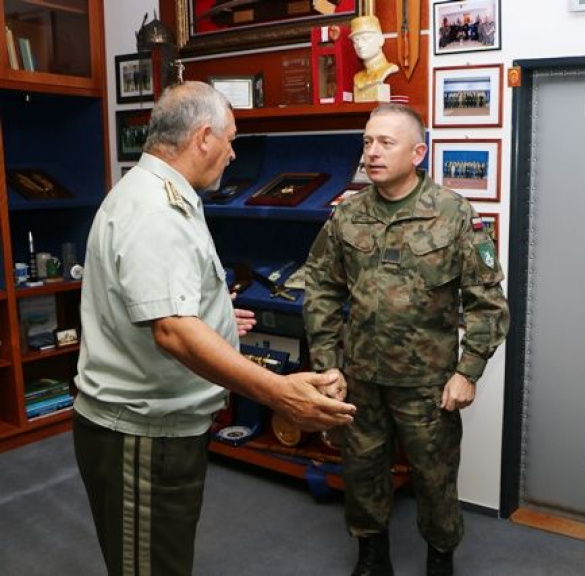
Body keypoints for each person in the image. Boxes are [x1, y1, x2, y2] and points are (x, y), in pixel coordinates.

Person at [72, 81, 356, 576]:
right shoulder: (157, 211)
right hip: (143, 434)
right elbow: (173, 331)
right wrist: (278, 393)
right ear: (203, 137)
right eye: (230, 139)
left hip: (158, 428)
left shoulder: (157, 193)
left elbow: (164, 308)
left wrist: (216, 318)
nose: (232, 153)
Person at [303, 103, 509, 576]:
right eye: (367, 142)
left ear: (418, 153)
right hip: (360, 377)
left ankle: (440, 557)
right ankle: (372, 556)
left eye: (385, 143)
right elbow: (322, 287)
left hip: (427, 383)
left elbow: (487, 302)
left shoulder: (453, 213)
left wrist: (468, 371)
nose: (372, 153)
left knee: (435, 477)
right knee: (362, 469)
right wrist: (326, 363)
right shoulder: (348, 214)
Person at [350, 15, 399, 102]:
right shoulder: (358, 78)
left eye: (365, 39)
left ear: (381, 40)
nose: (360, 45)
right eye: (355, 41)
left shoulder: (389, 70)